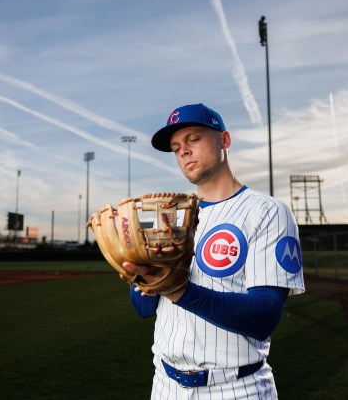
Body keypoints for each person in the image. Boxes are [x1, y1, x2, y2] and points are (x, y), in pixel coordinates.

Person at [122, 103, 305, 399]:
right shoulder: (172, 219)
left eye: (194, 138)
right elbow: (144, 310)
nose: (183, 151)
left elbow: (265, 317)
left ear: (225, 140)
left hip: (235, 388)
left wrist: (177, 288)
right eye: (176, 146)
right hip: (165, 385)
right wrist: (144, 277)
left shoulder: (267, 211)